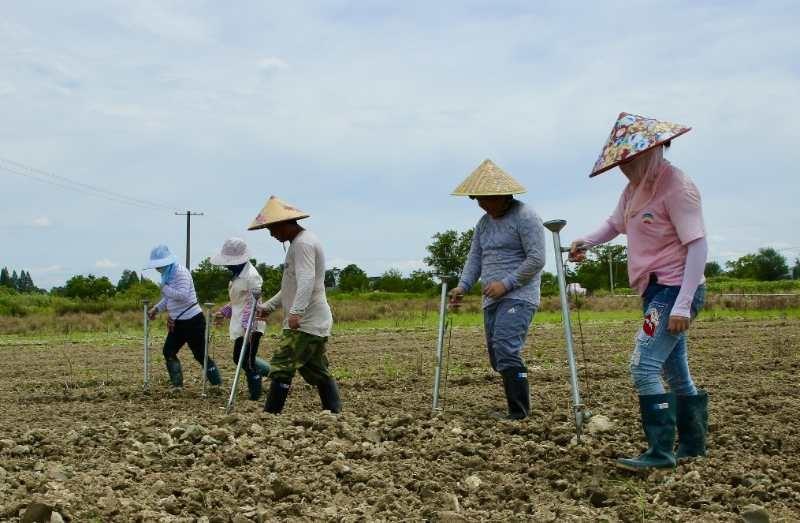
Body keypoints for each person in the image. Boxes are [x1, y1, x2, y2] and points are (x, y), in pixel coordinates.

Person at [570, 112, 708, 470]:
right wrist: (587, 240)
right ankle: (693, 444)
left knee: (643, 365)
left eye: (629, 160)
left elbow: (697, 246)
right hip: (654, 289)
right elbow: (615, 224)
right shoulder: (634, 188)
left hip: (675, 289)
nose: (624, 168)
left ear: (652, 151)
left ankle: (660, 453)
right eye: (621, 162)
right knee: (675, 371)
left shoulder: (678, 187)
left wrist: (682, 305)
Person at [449, 159, 546, 420]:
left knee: (506, 349)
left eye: (486, 199)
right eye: (478, 200)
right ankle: (517, 404)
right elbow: (475, 259)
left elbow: (537, 259)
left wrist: (506, 284)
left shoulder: (526, 217)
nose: (482, 205)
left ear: (503, 195)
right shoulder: (484, 223)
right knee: (497, 358)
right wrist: (462, 286)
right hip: (492, 299)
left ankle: (519, 411)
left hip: (519, 296)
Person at [247, 195, 341, 414]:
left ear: (284, 223)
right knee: (316, 369)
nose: (271, 234)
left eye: (272, 228)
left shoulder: (303, 244)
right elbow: (290, 286)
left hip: (306, 322)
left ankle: (270, 415)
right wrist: (268, 307)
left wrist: (296, 312)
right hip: (313, 322)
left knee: (282, 365)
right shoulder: (299, 243)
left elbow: (307, 280)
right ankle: (334, 413)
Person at [145, 244, 221, 389]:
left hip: (193, 321)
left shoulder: (180, 273)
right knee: (168, 351)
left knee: (200, 355)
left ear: (167, 262)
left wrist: (165, 288)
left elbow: (183, 295)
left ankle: (217, 385)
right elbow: (169, 299)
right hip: (178, 323)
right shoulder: (167, 275)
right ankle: (177, 386)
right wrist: (156, 309)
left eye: (159, 265)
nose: (157, 268)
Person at [210, 238, 271, 400]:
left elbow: (253, 303)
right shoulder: (237, 275)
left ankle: (255, 395)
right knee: (241, 358)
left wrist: (248, 328)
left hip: (252, 326)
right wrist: (223, 312)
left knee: (247, 361)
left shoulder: (252, 276)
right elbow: (238, 301)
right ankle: (272, 373)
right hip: (241, 324)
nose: (226, 265)